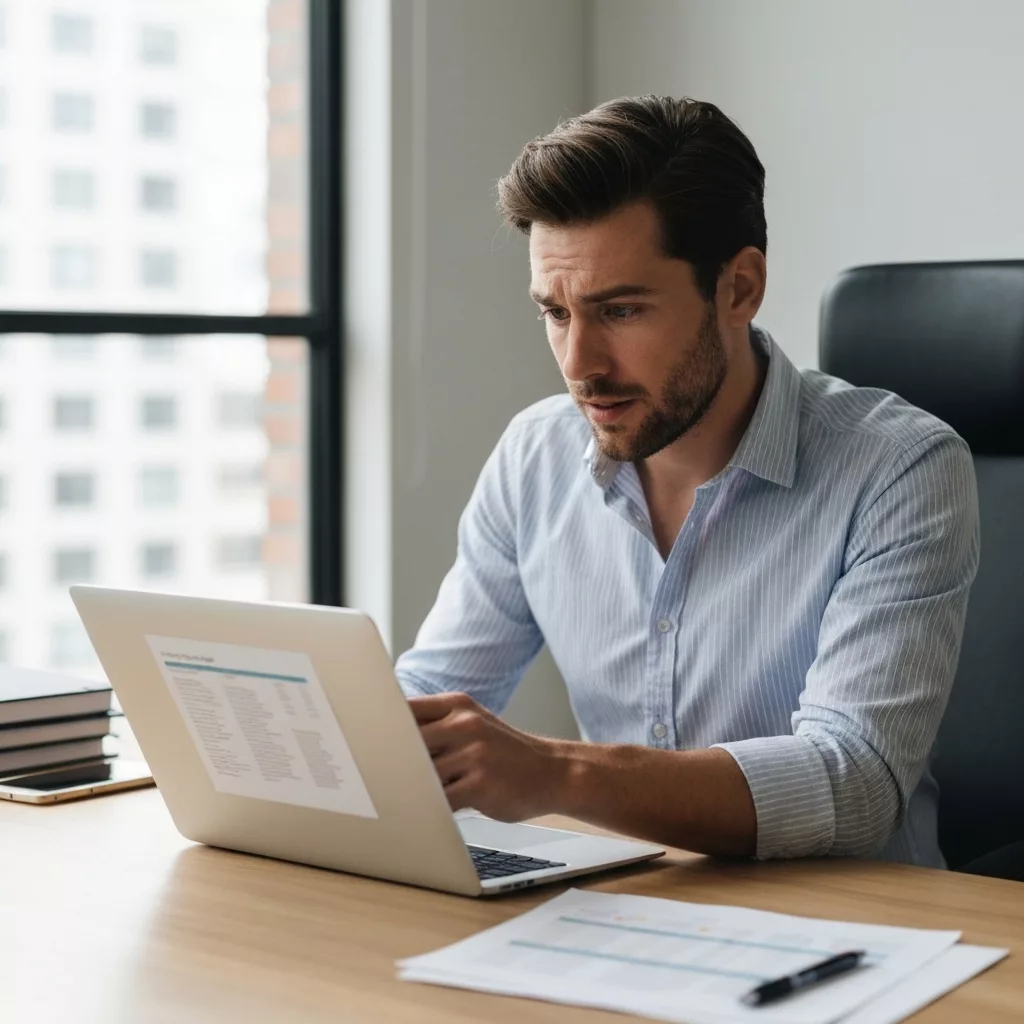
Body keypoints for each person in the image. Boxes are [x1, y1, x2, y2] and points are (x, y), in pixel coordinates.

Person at [394, 95, 979, 867]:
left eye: (621, 310)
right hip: (629, 911)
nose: (580, 366)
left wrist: (558, 773)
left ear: (739, 288)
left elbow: (854, 781)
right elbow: (433, 691)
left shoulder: (899, 467)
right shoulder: (535, 454)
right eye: (556, 313)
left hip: (858, 934)